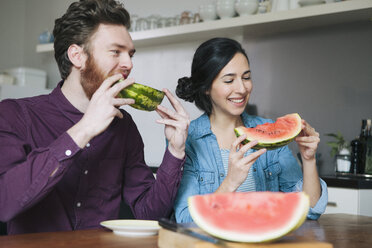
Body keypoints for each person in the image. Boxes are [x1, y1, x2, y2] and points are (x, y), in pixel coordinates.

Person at [0, 0, 190, 235]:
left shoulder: (123, 125)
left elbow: (148, 214)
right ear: (77, 56)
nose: (128, 64)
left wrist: (175, 151)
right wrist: (84, 129)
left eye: (130, 54)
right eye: (115, 52)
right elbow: (4, 202)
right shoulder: (15, 114)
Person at [174, 37, 327, 223]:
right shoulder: (187, 139)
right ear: (206, 87)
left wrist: (308, 159)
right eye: (229, 80)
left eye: (246, 78)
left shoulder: (269, 132)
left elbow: (309, 210)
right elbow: (184, 218)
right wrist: (230, 182)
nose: (242, 88)